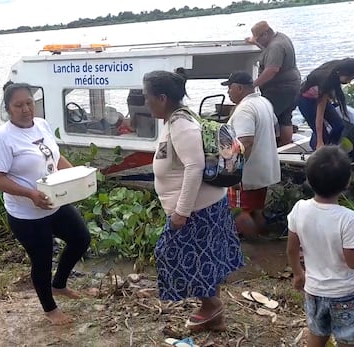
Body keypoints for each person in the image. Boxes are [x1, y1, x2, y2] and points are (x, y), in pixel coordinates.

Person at [144, 69, 244, 332]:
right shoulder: (177, 119)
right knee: (205, 259)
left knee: (171, 255)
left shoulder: (181, 125)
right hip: (203, 207)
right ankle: (214, 314)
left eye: (147, 97)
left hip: (197, 210)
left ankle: (211, 307)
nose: (146, 103)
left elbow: (194, 167)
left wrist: (181, 212)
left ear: (162, 98)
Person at [0, 83, 91, 325]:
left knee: (81, 238)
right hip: (26, 213)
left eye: (29, 103)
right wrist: (30, 194)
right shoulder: (2, 138)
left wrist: (77, 175)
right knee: (42, 259)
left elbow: (54, 157)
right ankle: (50, 309)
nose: (25, 109)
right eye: (18, 105)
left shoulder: (42, 125)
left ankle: (59, 284)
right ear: (8, 109)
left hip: (54, 201)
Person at [287, 146, 354, 347]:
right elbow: (353, 262)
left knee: (317, 334)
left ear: (309, 179)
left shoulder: (300, 209)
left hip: (314, 291)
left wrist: (298, 273)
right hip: (344, 293)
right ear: (347, 182)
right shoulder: (347, 219)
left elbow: (292, 249)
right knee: (349, 341)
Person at [221, 71, 281, 237]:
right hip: (264, 168)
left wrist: (233, 171)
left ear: (239, 88)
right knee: (256, 209)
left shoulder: (245, 109)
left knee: (239, 211)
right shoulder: (264, 102)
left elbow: (245, 142)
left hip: (247, 173)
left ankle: (252, 245)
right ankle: (263, 238)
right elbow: (276, 129)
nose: (228, 92)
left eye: (230, 88)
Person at [247, 20, 301, 147]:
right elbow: (267, 50)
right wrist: (255, 42)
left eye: (259, 39)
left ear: (266, 34)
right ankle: (285, 147)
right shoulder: (281, 37)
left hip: (280, 89)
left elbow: (272, 70)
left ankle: (266, 148)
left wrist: (253, 85)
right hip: (292, 85)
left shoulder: (276, 46)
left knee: (265, 118)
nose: (258, 42)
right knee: (285, 118)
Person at [297, 58, 354, 150]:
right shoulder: (326, 81)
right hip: (306, 100)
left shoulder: (336, 69)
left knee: (338, 126)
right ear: (343, 72)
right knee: (323, 135)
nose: (349, 82)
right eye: (349, 78)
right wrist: (320, 141)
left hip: (319, 96)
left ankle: (331, 149)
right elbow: (320, 115)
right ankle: (318, 148)